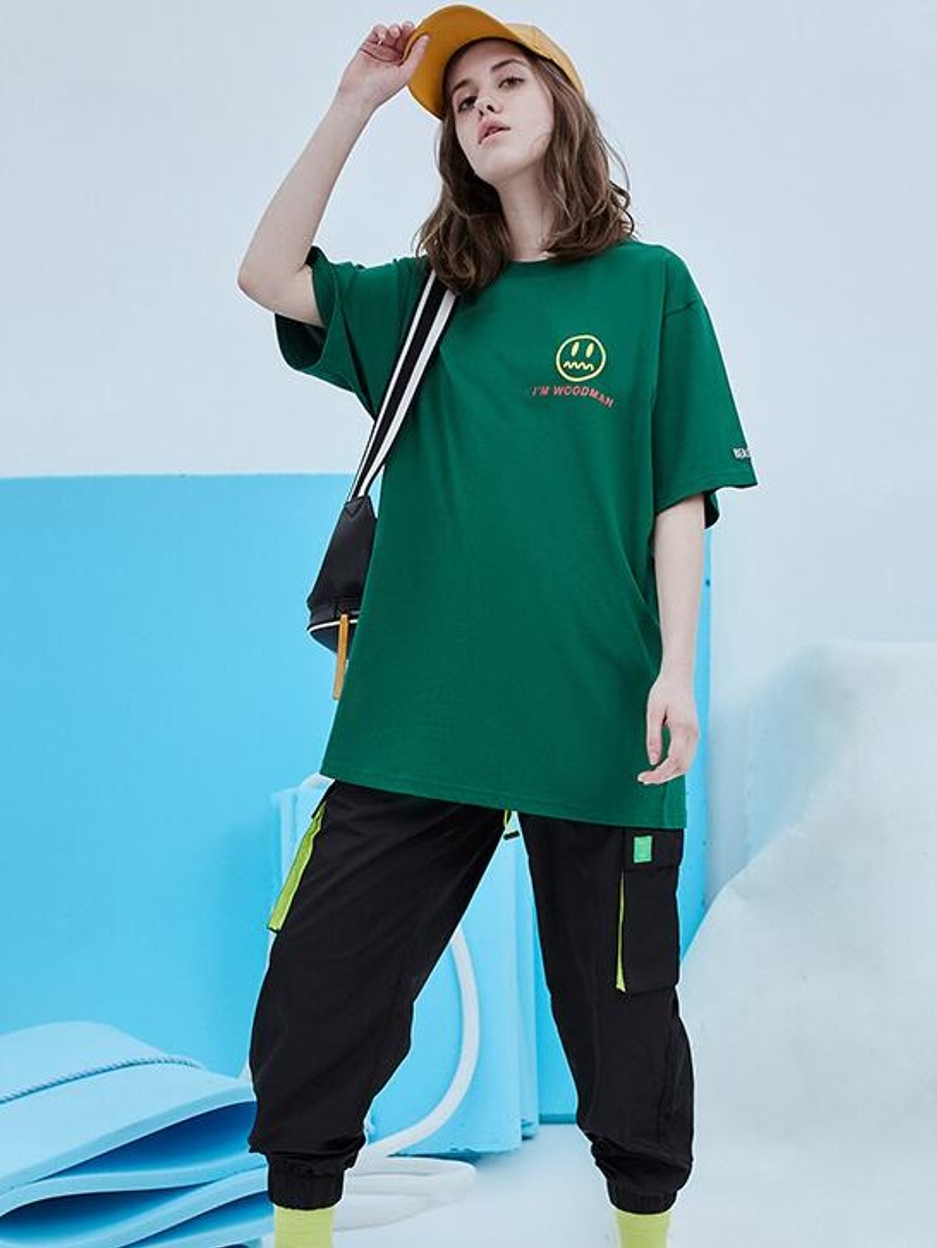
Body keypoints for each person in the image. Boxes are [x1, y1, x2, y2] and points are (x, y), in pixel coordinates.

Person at [237, 6, 759, 1247]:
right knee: (320, 993)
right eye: (462, 96)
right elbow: (267, 273)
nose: (480, 104)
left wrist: (676, 669)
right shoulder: (422, 302)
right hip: (419, 717)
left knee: (624, 1022)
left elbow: (677, 493)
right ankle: (298, 1231)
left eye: (506, 79)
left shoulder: (649, 287)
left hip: (600, 711)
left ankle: (642, 1234)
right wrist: (355, 102)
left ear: (560, 105)